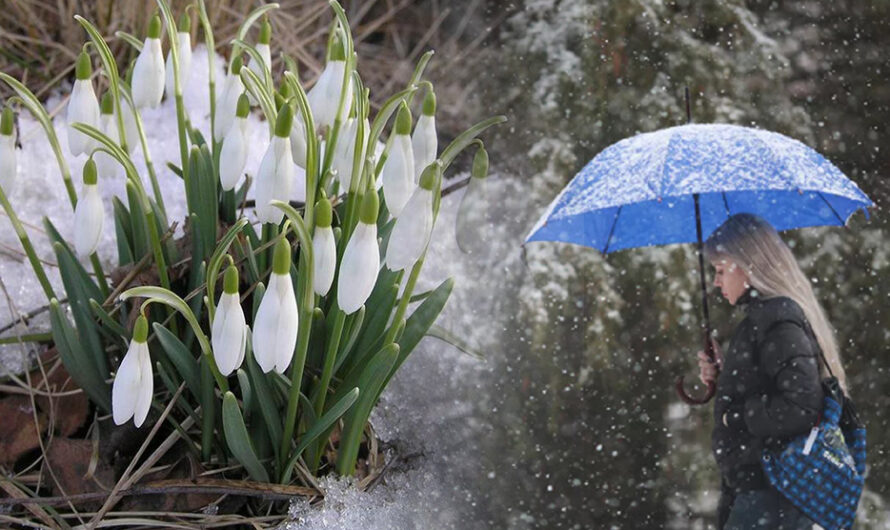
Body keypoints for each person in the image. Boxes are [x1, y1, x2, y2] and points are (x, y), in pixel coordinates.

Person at [696, 213, 849, 530]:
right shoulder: (763, 318)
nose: (716, 281)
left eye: (721, 270)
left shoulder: (776, 319)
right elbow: (770, 387)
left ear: (747, 265)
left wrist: (734, 415)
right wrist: (724, 377)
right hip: (761, 490)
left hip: (772, 493)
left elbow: (801, 406)